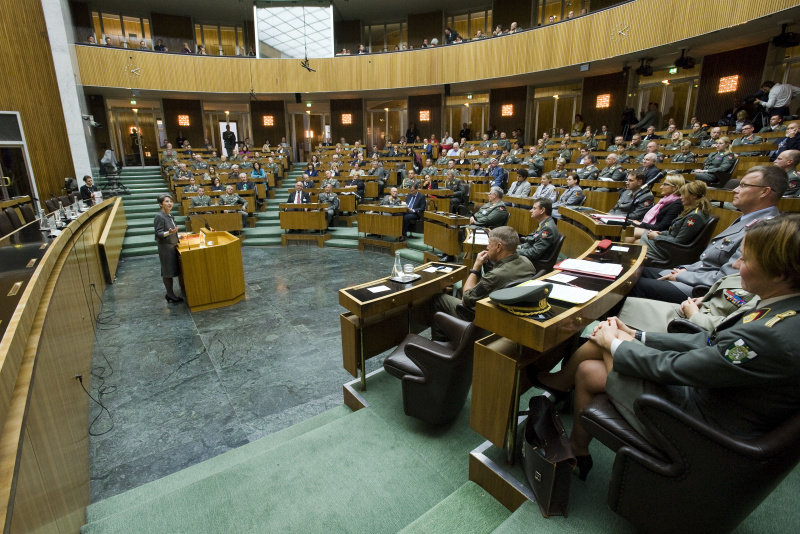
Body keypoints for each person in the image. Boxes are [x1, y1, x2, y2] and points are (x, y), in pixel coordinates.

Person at [531, 215, 800, 480]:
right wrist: (637, 335)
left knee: (603, 339)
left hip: (697, 423)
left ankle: (560, 385)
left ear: (778, 273)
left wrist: (615, 343)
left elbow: (677, 368)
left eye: (746, 260)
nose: (737, 264)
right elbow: (706, 340)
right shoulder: (781, 306)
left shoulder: (771, 335)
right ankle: (578, 447)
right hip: (709, 393)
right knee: (589, 370)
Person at [628, 166, 785, 303]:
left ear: (764, 191)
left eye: (743, 185)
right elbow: (708, 261)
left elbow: (727, 277)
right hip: (696, 274)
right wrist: (685, 269)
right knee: (633, 271)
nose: (735, 189)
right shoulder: (746, 219)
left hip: (703, 289)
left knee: (629, 284)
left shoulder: (765, 229)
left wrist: (684, 275)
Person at [430, 226, 536, 340]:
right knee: (459, 290)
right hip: (510, 316)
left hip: (487, 319)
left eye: (489, 243)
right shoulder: (527, 262)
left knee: (438, 299)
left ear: (499, 247)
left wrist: (476, 267)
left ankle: (440, 343)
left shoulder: (496, 275)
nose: (487, 247)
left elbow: (466, 299)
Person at [618, 272, 755, 333]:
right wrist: (706, 298)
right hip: (694, 312)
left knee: (614, 324)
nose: (736, 265)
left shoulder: (765, 303)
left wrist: (694, 315)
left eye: (744, 259)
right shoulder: (760, 282)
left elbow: (730, 328)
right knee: (620, 306)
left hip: (693, 328)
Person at [639, 180, 712, 263]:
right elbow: (676, 232)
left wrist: (656, 237)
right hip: (670, 245)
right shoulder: (695, 211)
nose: (680, 197)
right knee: (640, 236)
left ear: (694, 196)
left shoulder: (694, 216)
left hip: (673, 251)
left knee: (636, 244)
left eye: (683, 194)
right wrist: (661, 233)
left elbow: (679, 241)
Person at [628, 175, 684, 240]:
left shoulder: (677, 205)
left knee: (630, 232)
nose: (661, 187)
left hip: (660, 233)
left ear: (675, 188)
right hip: (652, 229)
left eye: (665, 184)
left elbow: (662, 227)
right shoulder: (665, 200)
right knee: (630, 232)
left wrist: (641, 224)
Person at [154, 194, 182, 303]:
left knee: (171, 271)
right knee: (167, 272)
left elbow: (173, 231)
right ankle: (170, 294)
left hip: (173, 246)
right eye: (166, 201)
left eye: (171, 201)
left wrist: (177, 235)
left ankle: (170, 293)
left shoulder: (170, 215)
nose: (169, 203)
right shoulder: (159, 216)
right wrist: (168, 233)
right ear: (160, 204)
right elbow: (158, 234)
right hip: (166, 248)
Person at [518, 198, 560, 272]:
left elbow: (535, 253)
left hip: (538, 263)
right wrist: (520, 247)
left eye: (534, 208)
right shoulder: (544, 223)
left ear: (542, 210)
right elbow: (533, 241)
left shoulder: (547, 229)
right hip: (536, 258)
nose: (531, 211)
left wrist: (514, 252)